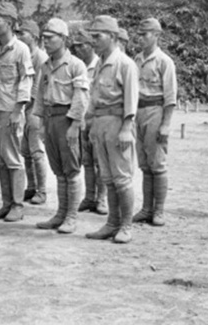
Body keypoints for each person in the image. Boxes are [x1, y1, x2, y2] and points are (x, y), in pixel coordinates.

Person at [84, 15, 139, 244]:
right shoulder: (99, 64)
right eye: (92, 36)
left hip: (118, 124)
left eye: (98, 36)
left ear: (113, 37)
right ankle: (111, 223)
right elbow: (95, 98)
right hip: (100, 124)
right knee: (107, 177)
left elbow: (131, 99)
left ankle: (126, 225)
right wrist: (90, 123)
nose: (93, 41)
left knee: (122, 178)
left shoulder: (125, 64)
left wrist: (127, 128)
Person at [33, 19, 89, 233]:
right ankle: (61, 213)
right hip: (50, 118)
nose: (45, 42)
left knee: (71, 170)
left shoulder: (75, 65)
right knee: (58, 170)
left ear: (63, 39)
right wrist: (39, 122)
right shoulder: (45, 65)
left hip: (67, 119)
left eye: (50, 38)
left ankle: (71, 217)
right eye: (44, 38)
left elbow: (81, 97)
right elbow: (40, 93)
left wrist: (75, 125)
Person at [0, 2, 34, 222]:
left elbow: (26, 80)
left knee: (12, 158)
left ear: (10, 23)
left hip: (9, 110)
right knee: (0, 159)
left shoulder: (20, 49)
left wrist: (18, 109)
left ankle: (17, 205)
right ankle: (6, 203)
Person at [132, 18, 177, 227]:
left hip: (156, 111)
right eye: (139, 34)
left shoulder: (164, 61)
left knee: (158, 164)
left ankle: (158, 210)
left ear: (157, 35)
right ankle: (146, 209)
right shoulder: (138, 59)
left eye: (146, 34)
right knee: (145, 164)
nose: (141, 38)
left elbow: (170, 98)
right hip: (139, 112)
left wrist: (166, 125)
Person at [70, 28, 107, 215]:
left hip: (98, 119)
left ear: (91, 46)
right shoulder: (76, 65)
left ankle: (101, 199)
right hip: (82, 119)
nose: (78, 49)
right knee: (86, 161)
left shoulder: (100, 65)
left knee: (100, 161)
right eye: (75, 46)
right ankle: (89, 197)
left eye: (82, 45)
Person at [17, 19, 50, 205]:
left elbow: (38, 88)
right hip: (25, 107)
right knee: (25, 151)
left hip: (36, 108)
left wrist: (28, 110)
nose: (19, 36)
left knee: (36, 150)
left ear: (34, 37)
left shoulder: (41, 57)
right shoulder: (24, 54)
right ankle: (31, 187)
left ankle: (42, 190)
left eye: (23, 33)